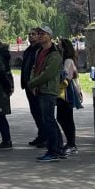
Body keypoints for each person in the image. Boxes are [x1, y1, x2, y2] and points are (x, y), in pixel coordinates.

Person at [27, 24, 65, 163]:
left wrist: (33, 83)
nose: (40, 36)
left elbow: (48, 73)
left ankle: (53, 151)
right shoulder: (39, 52)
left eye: (43, 34)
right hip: (40, 89)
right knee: (50, 120)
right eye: (39, 33)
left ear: (50, 36)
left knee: (48, 120)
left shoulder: (54, 54)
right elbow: (34, 67)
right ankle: (59, 148)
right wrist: (32, 80)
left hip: (48, 90)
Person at [20, 29, 46, 147]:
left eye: (33, 34)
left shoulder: (40, 50)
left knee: (40, 112)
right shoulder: (28, 50)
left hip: (36, 85)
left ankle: (45, 137)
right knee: (34, 111)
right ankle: (41, 134)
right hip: (28, 85)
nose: (31, 36)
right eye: (29, 34)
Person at [57, 38, 82, 156]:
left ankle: (71, 143)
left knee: (64, 118)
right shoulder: (69, 60)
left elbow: (66, 76)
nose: (58, 47)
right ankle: (71, 143)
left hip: (66, 92)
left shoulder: (67, 61)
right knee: (65, 117)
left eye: (60, 45)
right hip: (68, 91)